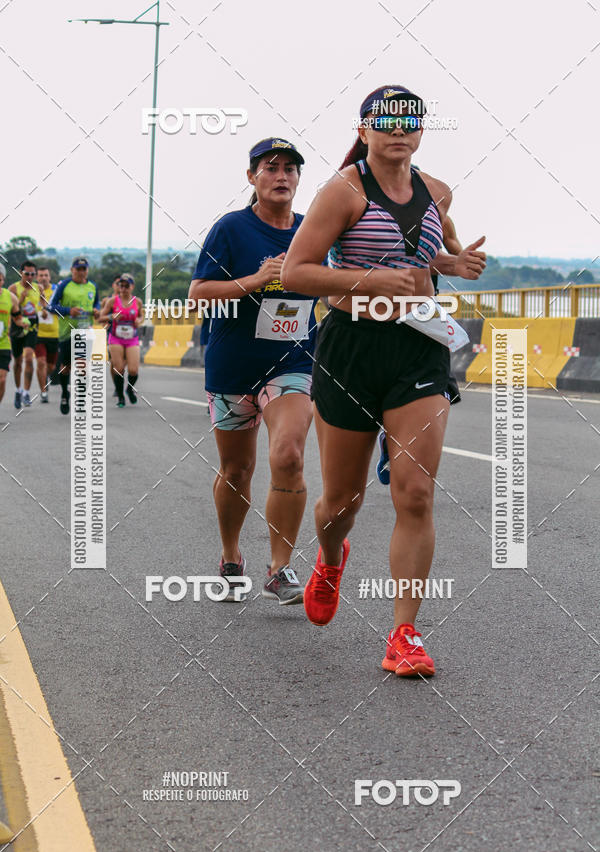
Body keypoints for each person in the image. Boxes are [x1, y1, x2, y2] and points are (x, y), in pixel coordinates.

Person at [282, 86, 486, 676]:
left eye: (409, 120)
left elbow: (435, 249)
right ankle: (329, 556)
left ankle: (404, 634)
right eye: (385, 120)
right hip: (351, 348)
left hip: (418, 348)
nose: (399, 128)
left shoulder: (436, 190)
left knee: (415, 492)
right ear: (365, 129)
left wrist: (452, 264)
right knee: (341, 501)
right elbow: (297, 272)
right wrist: (372, 282)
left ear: (421, 131)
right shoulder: (342, 192)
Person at [188, 137, 320, 605]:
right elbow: (198, 293)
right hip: (232, 364)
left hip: (293, 362)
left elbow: (346, 280)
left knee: (288, 454)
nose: (282, 175)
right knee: (237, 468)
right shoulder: (231, 228)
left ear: (299, 180)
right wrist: (255, 281)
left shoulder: (312, 233)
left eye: (290, 169)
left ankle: (280, 568)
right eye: (271, 167)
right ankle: (230, 556)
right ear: (252, 178)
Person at [376, 211, 465, 484]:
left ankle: (400, 443)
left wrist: (464, 260)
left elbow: (456, 253)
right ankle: (389, 437)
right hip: (374, 315)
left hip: (424, 314)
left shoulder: (437, 214)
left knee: (443, 387)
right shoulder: (364, 211)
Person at [50, 257, 100, 414]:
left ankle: (80, 400)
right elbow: (50, 307)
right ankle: (65, 393)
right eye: (78, 269)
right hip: (67, 333)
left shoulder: (92, 286)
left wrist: (97, 310)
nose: (81, 272)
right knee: (66, 368)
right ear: (72, 270)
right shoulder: (64, 285)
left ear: (87, 270)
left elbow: (96, 303)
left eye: (84, 269)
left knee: (83, 366)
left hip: (85, 332)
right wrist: (68, 311)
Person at [98, 273, 143, 407]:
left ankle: (129, 390)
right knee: (118, 368)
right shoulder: (112, 301)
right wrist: (111, 316)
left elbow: (141, 316)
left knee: (134, 370)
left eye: (126, 286)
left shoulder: (137, 301)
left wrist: (138, 321)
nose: (123, 289)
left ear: (132, 287)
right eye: (121, 286)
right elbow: (101, 317)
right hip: (115, 338)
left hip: (131, 338)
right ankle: (120, 396)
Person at [8, 260, 41, 409]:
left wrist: (45, 310)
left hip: (32, 327)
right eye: (27, 273)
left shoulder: (38, 288)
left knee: (29, 358)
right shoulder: (13, 288)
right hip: (17, 328)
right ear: (21, 273)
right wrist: (21, 299)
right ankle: (18, 390)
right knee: (18, 361)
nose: (29, 277)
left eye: (32, 274)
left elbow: (43, 306)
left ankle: (26, 392)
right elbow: (11, 309)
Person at [0, 264, 25, 409]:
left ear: (3, 280)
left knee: (2, 380)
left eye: (0, 280)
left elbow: (17, 318)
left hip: (3, 344)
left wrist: (23, 323)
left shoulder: (10, 297)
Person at [35, 267, 58, 403]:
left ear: (50, 277)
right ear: (37, 277)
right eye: (41, 275)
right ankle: (43, 392)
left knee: (51, 367)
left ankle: (46, 377)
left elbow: (62, 307)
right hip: (38, 333)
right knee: (41, 362)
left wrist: (48, 308)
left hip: (54, 333)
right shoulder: (33, 291)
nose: (43, 278)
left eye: (46, 275)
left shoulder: (56, 291)